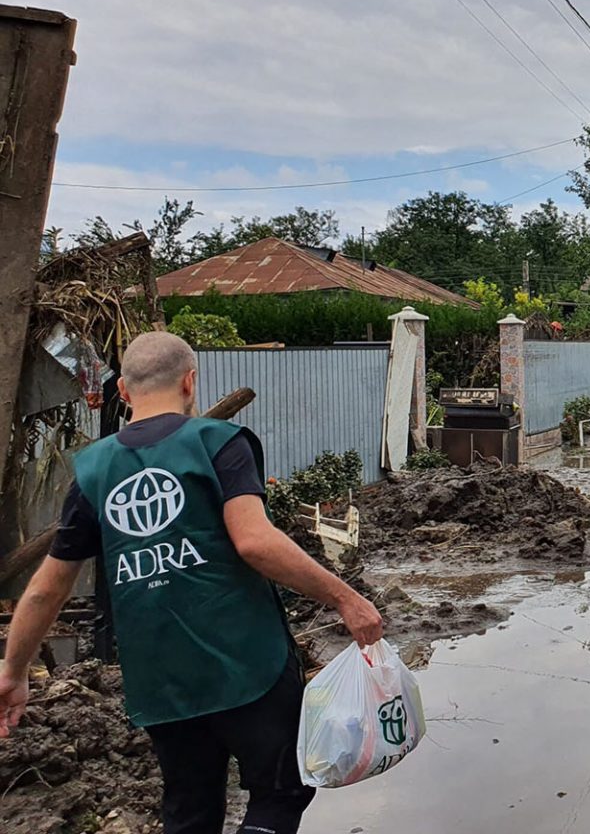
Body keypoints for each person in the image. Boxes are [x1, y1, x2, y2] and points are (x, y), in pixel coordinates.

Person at [0, 332, 384, 834]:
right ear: (190, 381)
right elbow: (254, 542)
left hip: (160, 680)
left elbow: (48, 587)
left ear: (124, 393)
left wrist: (14, 669)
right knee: (280, 792)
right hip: (248, 667)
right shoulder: (218, 443)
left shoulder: (93, 471)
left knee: (191, 807)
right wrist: (346, 597)